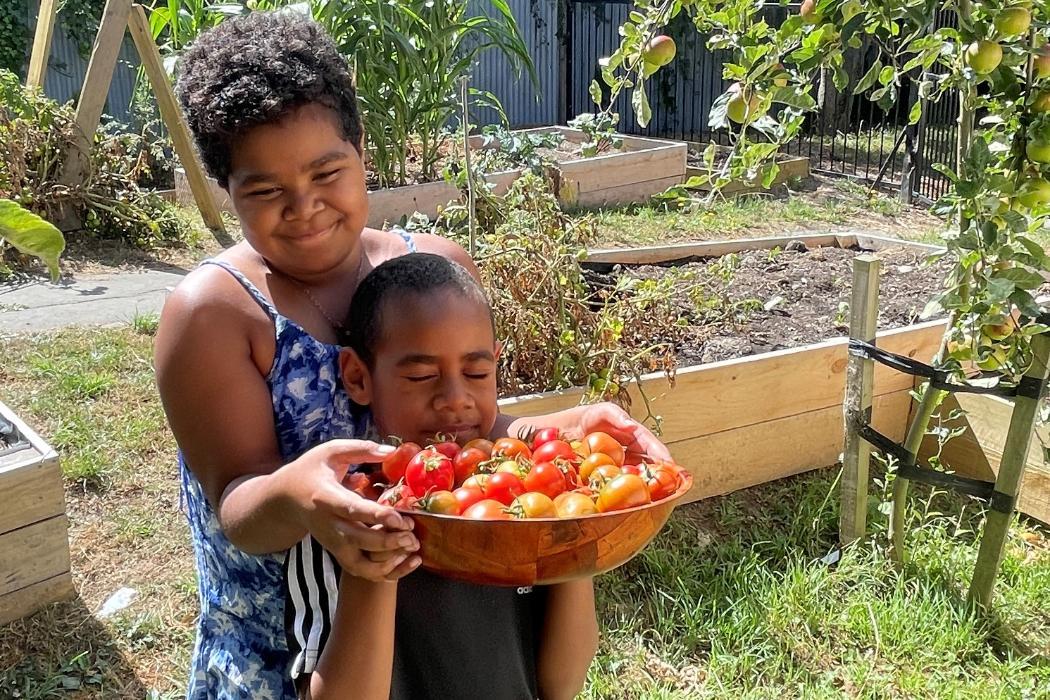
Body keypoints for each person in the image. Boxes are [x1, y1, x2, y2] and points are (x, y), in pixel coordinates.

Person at [155, 10, 670, 698]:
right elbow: (238, 506)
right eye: (267, 190)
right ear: (226, 189)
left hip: (454, 620)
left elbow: (461, 430)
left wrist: (553, 434)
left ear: (361, 149)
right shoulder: (214, 314)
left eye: (327, 171)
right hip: (297, 648)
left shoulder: (433, 268)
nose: (305, 207)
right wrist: (301, 497)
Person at [286, 252, 599, 700]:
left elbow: (562, 684)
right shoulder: (335, 519)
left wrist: (573, 538)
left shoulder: (526, 496)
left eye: (476, 372)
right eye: (421, 375)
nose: (455, 399)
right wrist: (374, 568)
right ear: (358, 376)